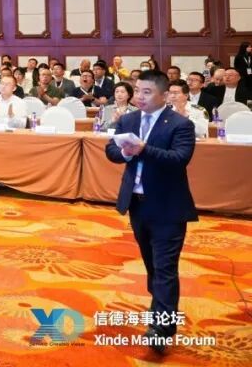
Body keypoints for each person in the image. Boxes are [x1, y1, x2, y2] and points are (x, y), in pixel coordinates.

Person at [105, 70, 197, 354]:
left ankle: (162, 327)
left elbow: (179, 158)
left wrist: (143, 149)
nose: (139, 97)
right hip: (137, 204)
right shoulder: (129, 119)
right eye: (137, 91)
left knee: (165, 268)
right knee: (153, 265)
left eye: (147, 92)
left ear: (163, 95)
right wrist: (125, 153)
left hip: (168, 207)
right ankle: (159, 306)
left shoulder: (180, 124)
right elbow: (111, 150)